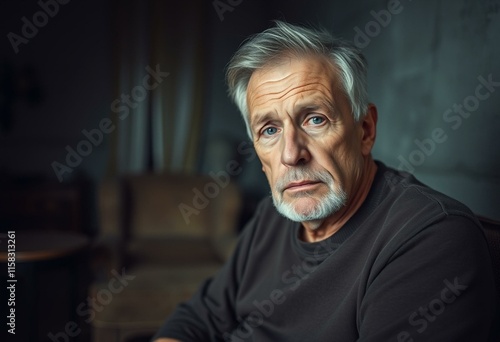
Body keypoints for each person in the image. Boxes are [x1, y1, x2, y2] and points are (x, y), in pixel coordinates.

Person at [153, 21, 497, 341]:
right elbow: (198, 318)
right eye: (269, 130)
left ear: (365, 130)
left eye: (315, 119)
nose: (291, 154)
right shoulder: (272, 216)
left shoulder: (433, 239)